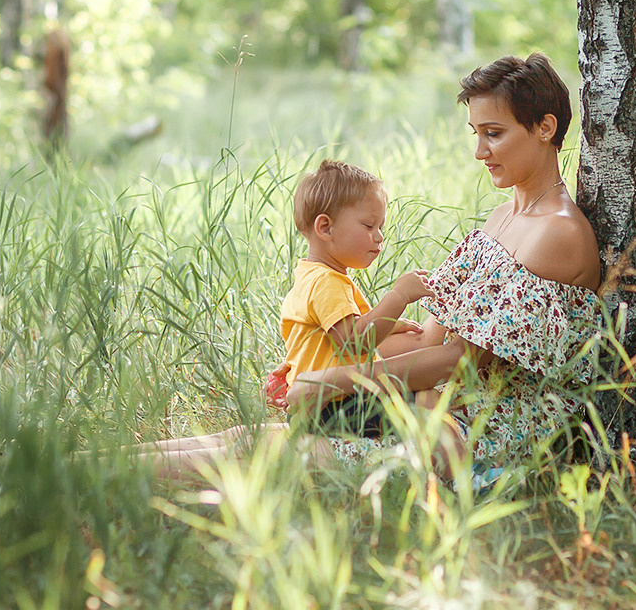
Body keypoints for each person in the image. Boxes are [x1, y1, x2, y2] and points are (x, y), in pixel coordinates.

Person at [285, 53, 605, 480]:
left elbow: (463, 362)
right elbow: (429, 338)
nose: (479, 151)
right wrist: (312, 368)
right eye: (476, 133)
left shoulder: (559, 232)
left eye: (494, 133)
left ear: (545, 128)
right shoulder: (498, 219)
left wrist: (338, 380)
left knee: (276, 453)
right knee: (253, 438)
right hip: (437, 402)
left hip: (486, 430)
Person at [141, 158, 454, 481]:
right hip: (335, 406)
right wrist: (398, 297)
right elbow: (352, 342)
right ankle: (441, 476)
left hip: (320, 402)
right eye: (369, 226)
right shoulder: (328, 283)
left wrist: (389, 323)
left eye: (381, 228)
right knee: (424, 402)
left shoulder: (312, 275)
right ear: (325, 228)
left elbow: (328, 339)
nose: (379, 237)